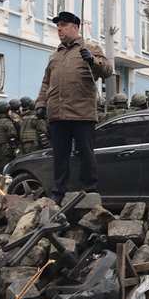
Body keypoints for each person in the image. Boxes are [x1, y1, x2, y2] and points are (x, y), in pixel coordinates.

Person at [35, 11, 112, 205]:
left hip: (82, 113)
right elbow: (46, 82)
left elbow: (108, 71)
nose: (59, 29)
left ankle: (90, 190)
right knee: (59, 156)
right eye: (58, 25)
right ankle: (59, 191)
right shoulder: (55, 55)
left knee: (86, 153)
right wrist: (41, 103)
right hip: (57, 114)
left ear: (75, 27)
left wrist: (92, 60)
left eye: (63, 25)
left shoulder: (90, 47)